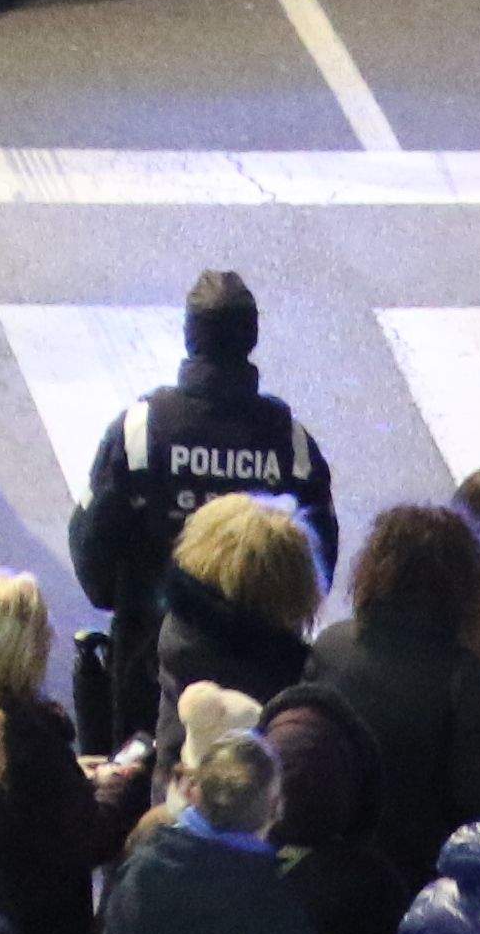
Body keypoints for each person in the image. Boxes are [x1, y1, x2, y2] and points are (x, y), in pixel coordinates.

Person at [71, 276, 338, 743]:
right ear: (251, 337)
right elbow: (319, 559)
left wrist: (126, 603)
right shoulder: (287, 440)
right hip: (264, 662)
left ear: (190, 336)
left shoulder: (142, 428)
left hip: (153, 651)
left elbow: (93, 540)